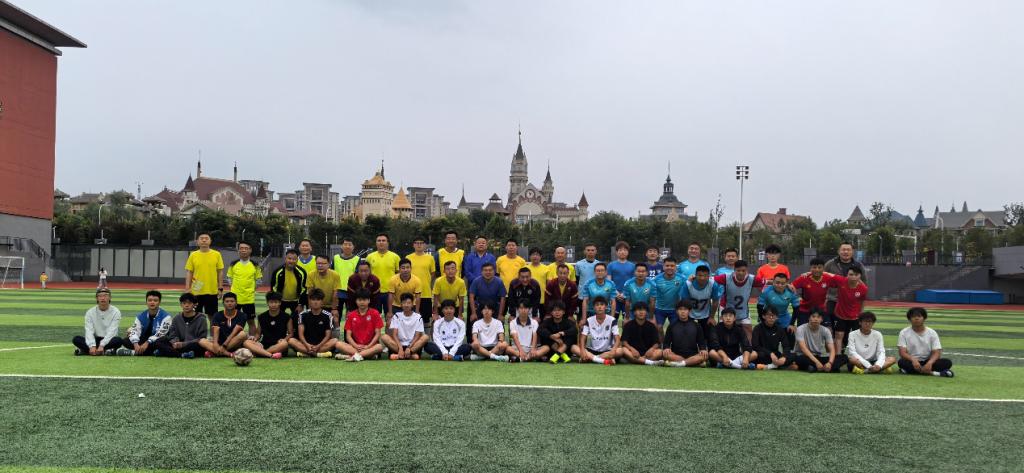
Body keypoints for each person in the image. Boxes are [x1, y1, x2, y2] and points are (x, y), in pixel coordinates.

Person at [713, 260, 764, 342]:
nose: (741, 273)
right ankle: (723, 347)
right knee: (724, 331)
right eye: (738, 270)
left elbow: (767, 282)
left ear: (747, 270)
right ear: (734, 270)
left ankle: (749, 348)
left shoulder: (752, 279)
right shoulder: (726, 277)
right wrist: (694, 278)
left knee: (748, 329)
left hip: (743, 311)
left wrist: (783, 283)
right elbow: (711, 279)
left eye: (743, 271)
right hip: (727, 309)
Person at [153, 292, 214, 358]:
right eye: (184, 303)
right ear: (181, 304)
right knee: (160, 341)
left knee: (198, 346)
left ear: (194, 304)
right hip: (177, 345)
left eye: (189, 303)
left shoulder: (201, 319)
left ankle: (166, 352)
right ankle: (181, 355)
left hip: (191, 345)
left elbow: (201, 338)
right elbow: (172, 335)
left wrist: (183, 344)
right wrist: (175, 342)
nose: (186, 305)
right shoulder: (176, 318)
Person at [897, 307, 954, 377]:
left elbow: (937, 352)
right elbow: (902, 353)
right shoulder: (904, 332)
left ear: (924, 318)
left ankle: (910, 371)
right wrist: (913, 360)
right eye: (913, 316)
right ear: (909, 319)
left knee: (947, 362)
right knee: (901, 362)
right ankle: (935, 373)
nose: (916, 318)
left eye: (919, 316)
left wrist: (930, 363)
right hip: (911, 361)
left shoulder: (932, 333)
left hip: (928, 360)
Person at [827, 266, 868, 359]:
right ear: (847, 275)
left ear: (860, 276)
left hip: (855, 317)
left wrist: (861, 314)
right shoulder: (841, 280)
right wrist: (808, 273)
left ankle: (857, 358)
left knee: (857, 337)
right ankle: (838, 357)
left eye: (856, 275)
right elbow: (828, 274)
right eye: (851, 274)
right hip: (840, 315)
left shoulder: (863, 288)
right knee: (839, 336)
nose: (853, 277)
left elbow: (862, 301)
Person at [335, 289, 385, 362]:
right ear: (356, 301)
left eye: (364, 300)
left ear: (369, 300)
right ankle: (366, 355)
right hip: (355, 347)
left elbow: (378, 334)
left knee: (379, 347)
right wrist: (356, 346)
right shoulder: (351, 315)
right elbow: (348, 336)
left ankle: (354, 356)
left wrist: (368, 346)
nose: (362, 302)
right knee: (338, 344)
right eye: (359, 300)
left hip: (371, 346)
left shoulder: (375, 313)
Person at [118, 290, 172, 356]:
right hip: (144, 340)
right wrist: (135, 344)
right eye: (150, 300)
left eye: (155, 300)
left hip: (156, 341)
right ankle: (147, 352)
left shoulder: (166, 317)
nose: (152, 302)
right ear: (146, 302)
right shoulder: (140, 316)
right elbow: (135, 330)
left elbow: (161, 334)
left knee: (160, 342)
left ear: (159, 302)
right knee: (126, 340)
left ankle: (133, 352)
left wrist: (147, 343)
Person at [72, 288, 124, 356]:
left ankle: (85, 350)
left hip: (109, 340)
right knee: (76, 339)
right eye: (100, 296)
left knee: (118, 340)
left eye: (105, 295)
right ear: (97, 298)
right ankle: (106, 351)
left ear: (110, 297)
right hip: (95, 339)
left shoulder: (116, 312)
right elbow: (89, 330)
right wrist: (92, 345)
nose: (103, 298)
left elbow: (112, 331)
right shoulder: (90, 312)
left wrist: (102, 345)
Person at [184, 233, 224, 318]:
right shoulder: (193, 255)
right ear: (197, 241)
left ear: (210, 241)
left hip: (212, 290)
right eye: (201, 238)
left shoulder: (217, 254)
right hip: (196, 290)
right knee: (194, 316)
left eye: (206, 238)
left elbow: (220, 272)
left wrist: (220, 288)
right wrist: (187, 288)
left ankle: (213, 328)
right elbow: (189, 272)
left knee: (212, 316)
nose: (204, 240)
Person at [824, 242, 865, 324]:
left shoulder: (858, 265)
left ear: (852, 251)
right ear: (839, 251)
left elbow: (864, 283)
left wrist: (860, 307)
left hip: (851, 303)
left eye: (848, 250)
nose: (846, 252)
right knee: (830, 327)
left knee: (849, 328)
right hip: (833, 300)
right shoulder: (830, 264)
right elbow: (822, 277)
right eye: (843, 249)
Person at [678, 265, 723, 340]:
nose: (702, 278)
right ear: (695, 275)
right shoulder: (688, 284)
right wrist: (685, 317)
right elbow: (684, 303)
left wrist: (711, 317)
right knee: (688, 336)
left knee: (708, 336)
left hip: (706, 315)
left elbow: (715, 302)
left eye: (705, 276)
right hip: (690, 314)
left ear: (709, 276)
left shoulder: (713, 284)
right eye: (700, 275)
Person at [572, 297, 620, 365]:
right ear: (594, 308)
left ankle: (591, 358)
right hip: (592, 350)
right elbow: (583, 337)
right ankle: (603, 360)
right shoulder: (589, 320)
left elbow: (617, 338)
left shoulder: (612, 320)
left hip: (607, 351)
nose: (599, 307)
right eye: (597, 305)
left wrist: (613, 350)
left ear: (606, 307)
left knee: (621, 350)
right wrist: (582, 351)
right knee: (573, 348)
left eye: (602, 304)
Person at [288, 288, 335, 358]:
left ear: (322, 302)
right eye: (313, 299)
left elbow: (328, 335)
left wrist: (318, 346)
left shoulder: (328, 315)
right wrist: (307, 345)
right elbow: (300, 334)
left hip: (321, 345)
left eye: (318, 300)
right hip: (306, 344)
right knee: (291, 340)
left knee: (335, 341)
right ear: (309, 301)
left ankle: (307, 353)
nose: (315, 302)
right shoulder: (302, 314)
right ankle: (318, 354)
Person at [243, 291, 290, 359]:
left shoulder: (286, 316)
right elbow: (258, 334)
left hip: (278, 344)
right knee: (246, 342)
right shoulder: (262, 316)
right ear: (267, 303)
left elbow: (290, 333)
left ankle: (261, 353)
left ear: (280, 303)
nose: (273, 304)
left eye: (276, 302)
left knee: (284, 344)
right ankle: (269, 355)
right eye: (271, 302)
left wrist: (284, 339)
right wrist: (254, 338)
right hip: (264, 344)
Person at [662, 300, 708, 368]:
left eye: (685, 309)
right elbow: (666, 342)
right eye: (680, 309)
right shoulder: (672, 325)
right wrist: (666, 348)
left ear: (689, 311)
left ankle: (680, 363)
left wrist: (703, 349)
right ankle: (691, 363)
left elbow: (701, 342)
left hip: (692, 354)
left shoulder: (696, 325)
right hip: (676, 355)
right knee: (665, 354)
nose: (683, 312)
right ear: (677, 311)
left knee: (704, 356)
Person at [226, 241, 262, 324]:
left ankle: (249, 334)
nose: (243, 250)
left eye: (246, 248)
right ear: (238, 250)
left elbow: (259, 280)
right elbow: (229, 278)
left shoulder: (255, 265)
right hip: (234, 299)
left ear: (250, 250)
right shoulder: (233, 264)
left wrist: (251, 289)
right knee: (232, 321)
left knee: (251, 321)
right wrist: (234, 288)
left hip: (249, 299)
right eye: (241, 248)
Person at [382, 293, 427, 360]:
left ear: (412, 304)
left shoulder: (418, 317)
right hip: (398, 345)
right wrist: (400, 348)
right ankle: (410, 356)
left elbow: (417, 336)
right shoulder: (397, 316)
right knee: (384, 337)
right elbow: (394, 334)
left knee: (425, 337)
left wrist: (409, 348)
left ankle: (401, 355)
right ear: (401, 305)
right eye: (404, 303)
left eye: (408, 303)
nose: (406, 305)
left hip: (412, 346)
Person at [270, 249, 308, 326]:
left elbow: (304, 288)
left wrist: (300, 304)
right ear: (285, 259)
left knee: (296, 322)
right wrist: (276, 302)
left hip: (296, 301)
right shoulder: (277, 271)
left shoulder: (302, 272)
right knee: (279, 322)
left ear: (297, 260)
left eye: (294, 259)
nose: (291, 261)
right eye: (289, 258)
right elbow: (274, 288)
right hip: (281, 301)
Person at [306, 255, 341, 336]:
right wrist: (310, 308)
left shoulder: (335, 275)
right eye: (318, 263)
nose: (320, 265)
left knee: (335, 319)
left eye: (323, 263)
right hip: (316, 305)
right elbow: (310, 293)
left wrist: (334, 308)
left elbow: (335, 293)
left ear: (328, 264)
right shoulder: (311, 274)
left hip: (330, 305)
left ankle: (335, 338)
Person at [207, 292, 249, 357]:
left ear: (236, 303)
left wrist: (224, 346)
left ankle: (216, 352)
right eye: (227, 301)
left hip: (234, 342)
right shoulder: (217, 315)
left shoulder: (242, 315)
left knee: (243, 334)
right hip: (220, 342)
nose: (229, 303)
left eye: (232, 301)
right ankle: (228, 354)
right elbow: (216, 331)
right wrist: (215, 344)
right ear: (223, 303)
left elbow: (234, 333)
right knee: (202, 341)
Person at [792, 258, 832, 326]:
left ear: (823, 268)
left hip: (821, 310)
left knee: (828, 329)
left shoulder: (828, 278)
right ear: (810, 268)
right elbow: (791, 287)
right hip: (805, 310)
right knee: (801, 330)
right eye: (814, 267)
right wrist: (795, 298)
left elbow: (841, 282)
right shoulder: (803, 278)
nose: (817, 269)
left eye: (819, 267)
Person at [366, 233, 401, 312]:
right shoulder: (369, 257)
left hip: (390, 292)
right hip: (374, 291)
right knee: (374, 315)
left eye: (383, 240)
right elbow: (366, 274)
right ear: (376, 243)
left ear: (388, 243)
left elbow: (399, 275)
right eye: (379, 241)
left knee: (390, 315)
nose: (381, 242)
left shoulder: (395, 257)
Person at [406, 236, 436, 318]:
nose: (419, 245)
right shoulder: (408, 257)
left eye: (421, 243)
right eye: (417, 243)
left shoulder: (430, 258)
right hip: (411, 293)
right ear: (413, 245)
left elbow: (433, 273)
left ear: (425, 245)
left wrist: (426, 282)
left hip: (426, 293)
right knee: (411, 318)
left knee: (426, 319)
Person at [651, 257, 684, 330]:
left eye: (672, 266)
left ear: (676, 267)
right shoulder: (656, 279)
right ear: (663, 267)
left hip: (674, 309)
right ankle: (662, 338)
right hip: (659, 309)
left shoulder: (681, 278)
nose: (669, 268)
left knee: (675, 329)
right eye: (667, 265)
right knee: (658, 328)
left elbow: (690, 285)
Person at [331, 237, 361, 316]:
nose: (347, 246)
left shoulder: (357, 259)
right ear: (341, 246)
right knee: (336, 315)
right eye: (345, 244)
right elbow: (331, 273)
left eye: (349, 245)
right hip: (337, 292)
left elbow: (358, 276)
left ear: (353, 247)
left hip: (351, 292)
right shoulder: (335, 258)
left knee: (350, 315)